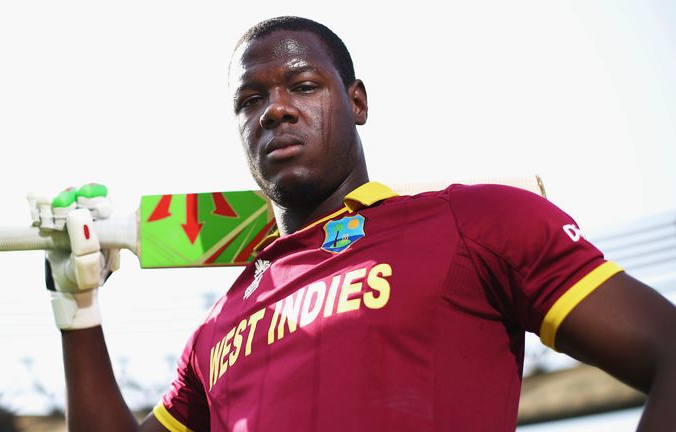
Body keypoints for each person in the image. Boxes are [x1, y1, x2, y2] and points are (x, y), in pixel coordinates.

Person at [42, 16, 676, 432]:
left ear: (357, 101)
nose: (275, 110)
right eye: (250, 99)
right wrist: (79, 308)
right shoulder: (218, 328)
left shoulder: (476, 222)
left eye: (302, 85)